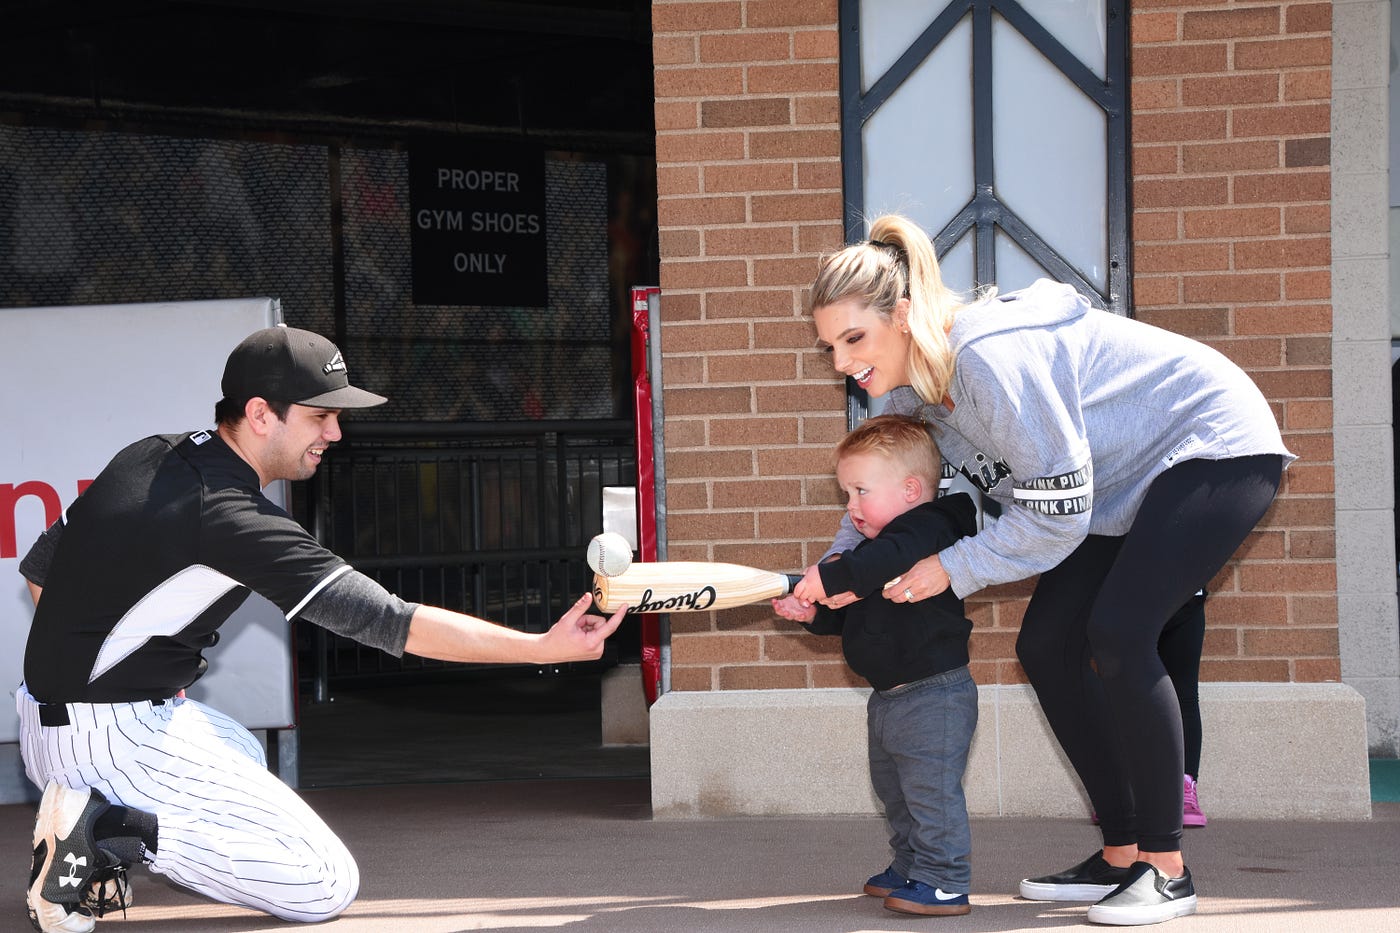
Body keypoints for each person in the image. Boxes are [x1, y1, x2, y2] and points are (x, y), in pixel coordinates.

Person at [16, 325, 628, 933]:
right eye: (319, 416)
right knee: (324, 882)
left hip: (54, 723)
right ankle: (104, 831)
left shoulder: (152, 452)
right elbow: (390, 621)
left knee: (239, 749)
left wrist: (102, 666)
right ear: (261, 414)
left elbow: (41, 573)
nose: (335, 432)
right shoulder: (233, 516)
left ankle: (84, 832)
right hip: (107, 736)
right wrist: (540, 647)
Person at [804, 215, 1293, 926]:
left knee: (1121, 634)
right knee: (1046, 645)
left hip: (1211, 443)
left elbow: (1056, 516)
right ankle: (1121, 853)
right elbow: (884, 503)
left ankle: (1167, 867)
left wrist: (954, 568)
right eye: (830, 346)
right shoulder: (910, 395)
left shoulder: (989, 360)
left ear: (904, 316)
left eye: (855, 339)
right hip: (1113, 489)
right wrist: (828, 576)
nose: (844, 362)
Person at [774, 413, 980, 916]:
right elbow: (849, 619)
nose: (851, 508)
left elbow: (889, 556)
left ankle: (946, 881)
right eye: (847, 494)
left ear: (912, 489)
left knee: (931, 796)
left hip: (936, 695)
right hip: (889, 699)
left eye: (861, 491)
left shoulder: (931, 527)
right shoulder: (872, 553)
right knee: (897, 795)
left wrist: (836, 573)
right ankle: (911, 867)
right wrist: (811, 614)